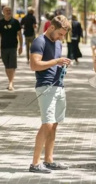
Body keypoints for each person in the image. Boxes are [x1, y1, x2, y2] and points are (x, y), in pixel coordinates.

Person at [29, 15, 72, 174]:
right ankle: (35, 163)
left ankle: (48, 160)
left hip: (58, 86)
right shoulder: (39, 41)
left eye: (63, 35)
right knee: (47, 123)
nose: (62, 37)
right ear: (52, 27)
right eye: (60, 33)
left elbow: (55, 61)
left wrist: (62, 64)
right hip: (45, 87)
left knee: (54, 124)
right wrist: (56, 61)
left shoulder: (58, 43)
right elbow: (34, 65)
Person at [0, 6, 23, 91]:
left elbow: (20, 35)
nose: (8, 12)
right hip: (3, 47)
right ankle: (10, 81)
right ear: (3, 12)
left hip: (13, 47)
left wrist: (21, 46)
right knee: (7, 66)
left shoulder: (15, 22)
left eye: (10, 10)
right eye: (6, 10)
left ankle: (11, 83)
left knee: (12, 66)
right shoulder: (0, 23)